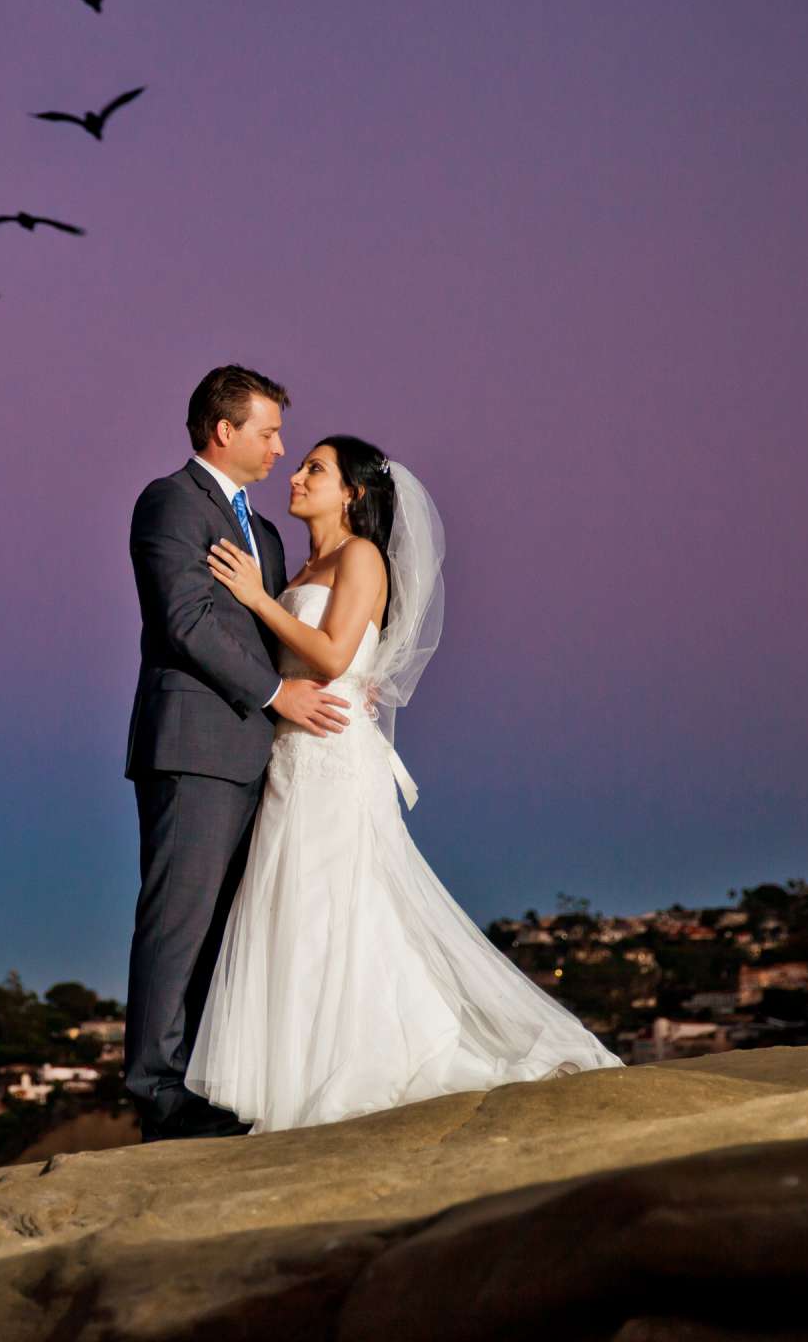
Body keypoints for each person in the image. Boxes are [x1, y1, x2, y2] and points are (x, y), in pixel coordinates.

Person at [185, 433, 621, 1132]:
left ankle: (354, 1068)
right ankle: (298, 1076)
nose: (295, 474)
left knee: (338, 908)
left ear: (353, 493)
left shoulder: (360, 556)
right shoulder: (305, 562)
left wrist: (257, 599)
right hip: (292, 759)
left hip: (333, 761)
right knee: (297, 911)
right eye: (299, 466)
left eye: (315, 469)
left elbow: (328, 659)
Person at [123, 365, 356, 1141]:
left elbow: (282, 635)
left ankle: (199, 1083)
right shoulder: (169, 504)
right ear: (225, 431)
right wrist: (274, 697)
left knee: (226, 925)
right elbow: (186, 622)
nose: (279, 447)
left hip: (261, 756)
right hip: (193, 744)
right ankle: (156, 1090)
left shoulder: (265, 533)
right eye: (268, 431)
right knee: (179, 917)